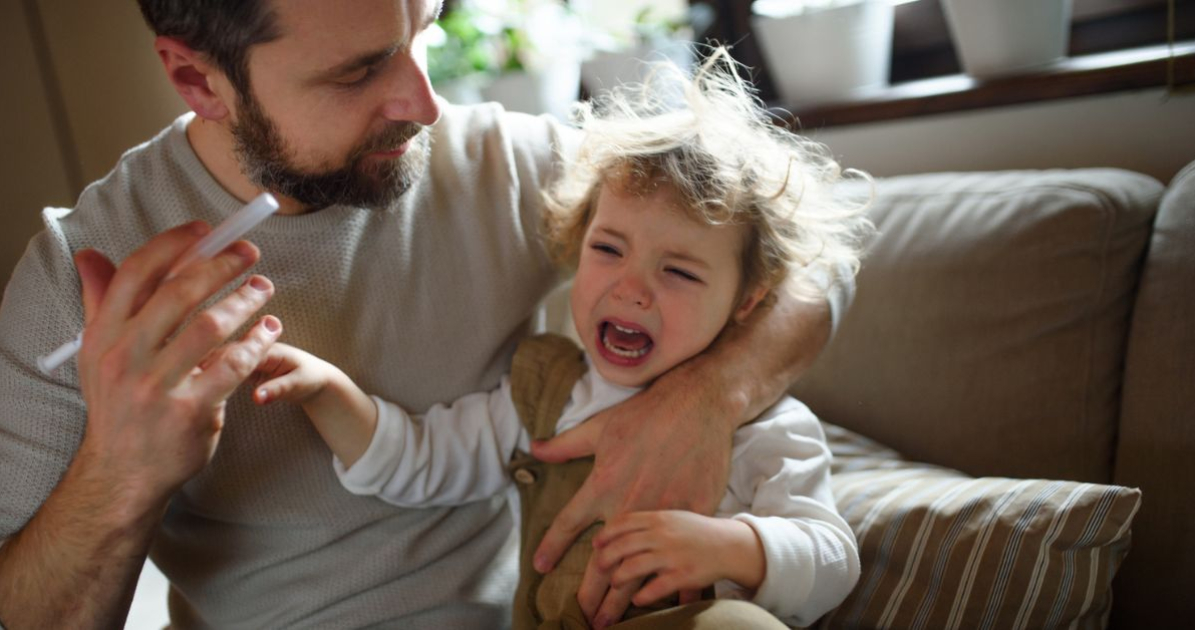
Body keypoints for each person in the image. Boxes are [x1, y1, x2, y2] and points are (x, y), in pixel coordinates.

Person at [0, 1, 852, 628]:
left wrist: (702, 402)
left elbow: (811, 274)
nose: (425, 103)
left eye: (425, 33)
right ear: (197, 79)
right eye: (359, 70)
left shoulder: (504, 167)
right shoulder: (79, 285)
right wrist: (119, 472)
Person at [249, 50, 870, 629]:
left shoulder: (768, 428)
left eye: (678, 271)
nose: (631, 290)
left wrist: (736, 548)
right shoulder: (544, 396)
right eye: (607, 250)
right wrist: (328, 391)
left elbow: (833, 562)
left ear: (747, 302)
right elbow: (424, 459)